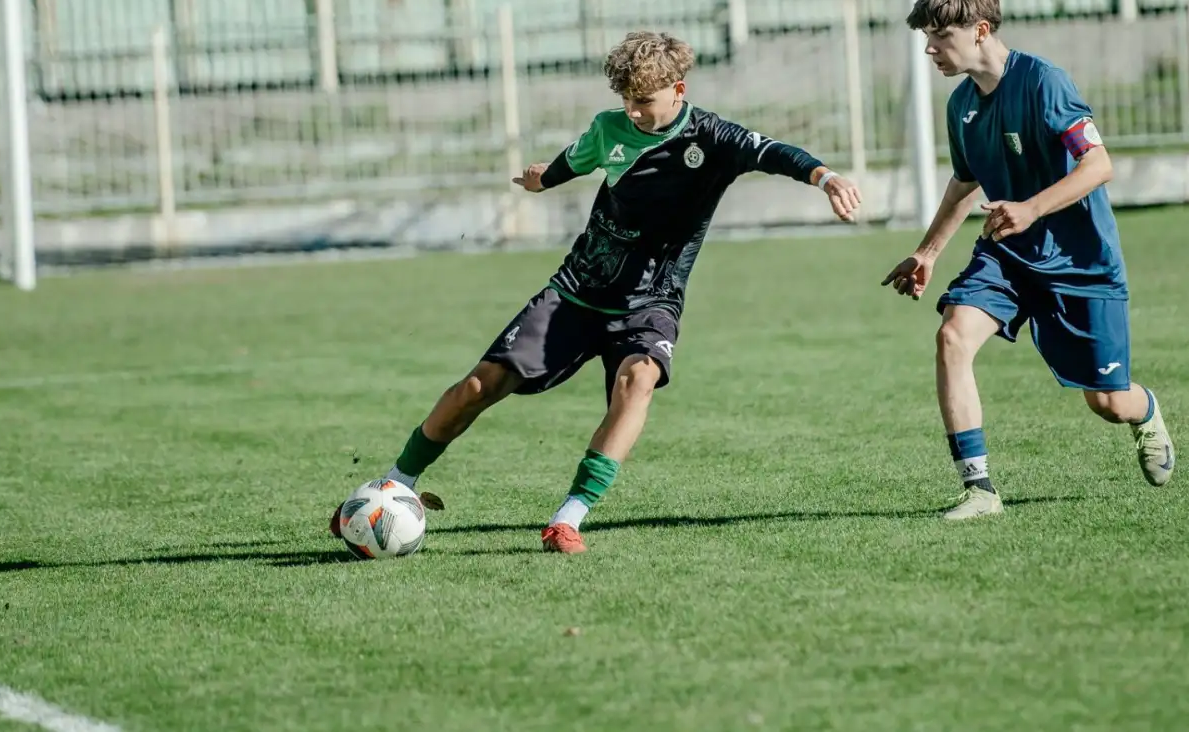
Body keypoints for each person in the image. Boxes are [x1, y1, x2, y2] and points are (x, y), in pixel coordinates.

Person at [334, 30, 863, 553]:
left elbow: (775, 152)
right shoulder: (609, 128)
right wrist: (545, 179)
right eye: (627, 100)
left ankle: (569, 518)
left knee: (637, 384)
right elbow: (575, 160)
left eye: (644, 101)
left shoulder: (713, 139)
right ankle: (392, 484)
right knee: (479, 386)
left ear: (678, 89)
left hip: (651, 301)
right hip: (576, 291)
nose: (633, 111)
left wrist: (826, 178)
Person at [882, 0, 1175, 520]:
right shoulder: (961, 106)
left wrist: (1032, 207)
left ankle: (1146, 410)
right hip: (1008, 254)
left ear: (981, 30)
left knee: (1108, 402)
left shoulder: (1045, 83)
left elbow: (1099, 164)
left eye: (940, 35)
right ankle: (980, 489)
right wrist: (928, 252)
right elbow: (964, 183)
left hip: (1079, 260)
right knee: (952, 336)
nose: (929, 48)